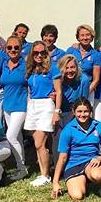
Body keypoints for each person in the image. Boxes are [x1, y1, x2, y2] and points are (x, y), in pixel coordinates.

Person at [51, 98, 101, 200]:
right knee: (77, 196)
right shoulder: (68, 130)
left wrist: (100, 159)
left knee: (97, 175)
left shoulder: (99, 126)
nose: (82, 115)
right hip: (73, 164)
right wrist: (55, 182)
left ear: (90, 112)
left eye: (86, 111)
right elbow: (62, 158)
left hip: (92, 162)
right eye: (79, 111)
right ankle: (82, 179)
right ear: (73, 112)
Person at [24, 41, 63, 187]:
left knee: (40, 143)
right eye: (36, 53)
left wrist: (56, 111)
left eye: (42, 52)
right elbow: (29, 91)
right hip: (33, 105)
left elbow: (58, 91)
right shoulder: (30, 69)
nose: (39, 55)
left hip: (46, 105)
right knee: (37, 144)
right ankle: (43, 173)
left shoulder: (52, 68)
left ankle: (46, 175)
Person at [0, 36, 29, 181]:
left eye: (16, 47)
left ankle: (22, 168)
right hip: (7, 106)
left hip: (21, 106)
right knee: (17, 137)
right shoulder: (4, 63)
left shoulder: (26, 65)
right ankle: (20, 167)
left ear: (21, 48)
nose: (13, 50)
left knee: (10, 137)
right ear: (5, 49)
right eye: (9, 47)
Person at [54, 54, 90, 152]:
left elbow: (83, 103)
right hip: (58, 111)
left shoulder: (84, 80)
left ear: (77, 68)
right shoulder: (57, 79)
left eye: (73, 67)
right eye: (67, 68)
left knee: (71, 135)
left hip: (73, 112)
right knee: (57, 138)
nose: (70, 70)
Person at [66, 24, 101, 103]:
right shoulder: (71, 51)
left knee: (84, 114)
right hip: (70, 88)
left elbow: (96, 80)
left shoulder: (96, 55)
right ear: (78, 38)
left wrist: (85, 92)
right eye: (82, 35)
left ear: (92, 37)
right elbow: (63, 69)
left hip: (87, 89)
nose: (85, 38)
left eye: (88, 35)